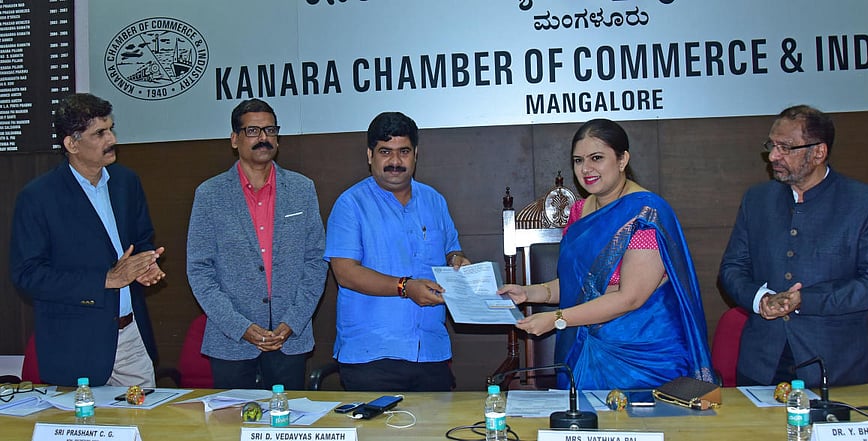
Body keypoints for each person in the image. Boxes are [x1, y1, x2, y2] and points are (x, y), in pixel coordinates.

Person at [498, 118, 714, 390]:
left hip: (643, 360)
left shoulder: (646, 213)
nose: (586, 169)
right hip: (581, 351)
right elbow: (578, 285)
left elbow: (630, 297)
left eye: (596, 158)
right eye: (578, 161)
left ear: (623, 159)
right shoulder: (578, 212)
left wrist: (556, 319)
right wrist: (529, 293)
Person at [719, 105, 868, 387]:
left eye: (786, 148)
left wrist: (806, 300)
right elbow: (732, 268)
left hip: (833, 365)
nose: (773, 156)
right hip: (762, 363)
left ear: (818, 152)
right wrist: (761, 299)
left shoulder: (863, 202)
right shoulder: (757, 200)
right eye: (772, 145)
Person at [9, 93, 165, 387]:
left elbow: (141, 238)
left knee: (145, 427)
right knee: (82, 431)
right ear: (72, 144)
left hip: (131, 336)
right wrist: (105, 280)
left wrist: (145, 265)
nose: (113, 139)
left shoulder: (125, 182)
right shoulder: (38, 198)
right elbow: (27, 275)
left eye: (111, 129)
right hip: (74, 347)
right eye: (100, 133)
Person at [186, 98, 327, 390]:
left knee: (288, 425)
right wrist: (240, 327)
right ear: (235, 139)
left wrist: (293, 321)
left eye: (270, 130)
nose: (263, 138)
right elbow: (200, 270)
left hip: (289, 338)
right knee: (230, 429)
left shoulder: (302, 189)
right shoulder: (210, 194)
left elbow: (316, 261)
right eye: (253, 131)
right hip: (231, 340)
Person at [324, 111, 470, 391]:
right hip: (372, 357)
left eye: (403, 151)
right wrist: (405, 287)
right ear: (370, 155)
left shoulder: (434, 200)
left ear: (416, 154)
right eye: (385, 152)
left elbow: (452, 250)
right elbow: (345, 273)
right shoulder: (350, 204)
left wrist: (457, 261)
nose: (395, 162)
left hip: (431, 353)